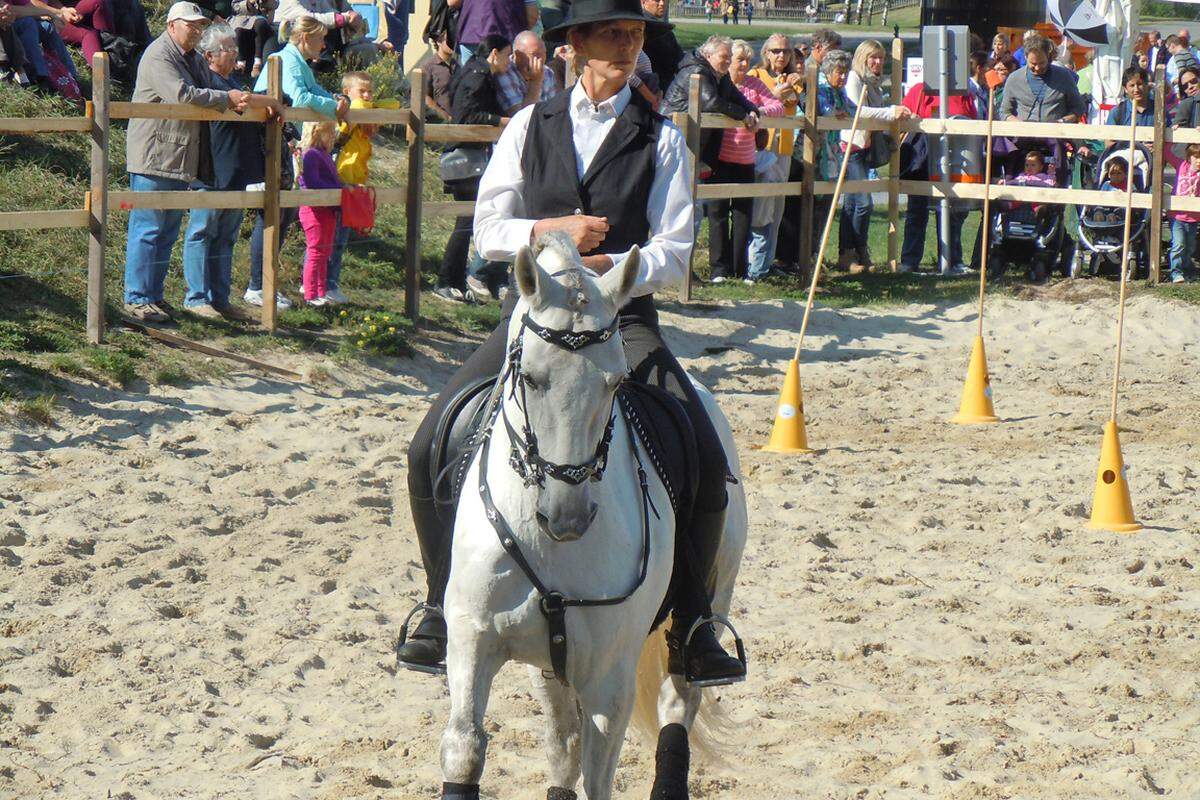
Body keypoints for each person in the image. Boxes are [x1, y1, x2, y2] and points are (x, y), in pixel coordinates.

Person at [399, 0, 747, 687]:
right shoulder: (531, 124)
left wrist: (608, 270)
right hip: (535, 313)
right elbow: (492, 222)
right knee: (427, 444)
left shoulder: (662, 137)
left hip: (624, 318)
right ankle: (439, 605)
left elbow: (675, 251)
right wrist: (552, 231)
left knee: (704, 454)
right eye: (614, 34)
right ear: (575, 45)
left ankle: (695, 622)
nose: (628, 46)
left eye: (636, 34)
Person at [122, 1, 253, 324]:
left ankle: (153, 296)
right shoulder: (159, 55)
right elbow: (181, 94)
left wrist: (234, 97)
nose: (196, 30)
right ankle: (137, 298)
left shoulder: (191, 57)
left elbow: (209, 88)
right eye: (190, 24)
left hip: (177, 156)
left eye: (200, 25)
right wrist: (227, 99)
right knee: (149, 230)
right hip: (154, 155)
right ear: (172, 26)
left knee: (165, 232)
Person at [243, 15, 347, 308]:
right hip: (271, 144)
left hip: (284, 143)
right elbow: (301, 98)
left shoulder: (298, 63)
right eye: (320, 39)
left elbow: (314, 91)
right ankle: (257, 286)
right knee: (274, 213)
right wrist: (333, 108)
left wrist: (337, 100)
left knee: (283, 214)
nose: (324, 44)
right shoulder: (285, 60)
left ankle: (264, 284)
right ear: (304, 39)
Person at [182, 22, 278, 319]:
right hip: (212, 170)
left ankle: (220, 299)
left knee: (226, 237)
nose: (235, 53)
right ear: (210, 55)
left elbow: (250, 100)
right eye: (229, 48)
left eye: (235, 47)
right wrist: (272, 101)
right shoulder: (207, 80)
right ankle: (196, 299)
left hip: (235, 171)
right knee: (202, 232)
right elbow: (247, 102)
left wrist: (269, 103)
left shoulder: (231, 80)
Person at [434, 33, 511, 303]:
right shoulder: (478, 76)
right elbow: (466, 115)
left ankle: (452, 280)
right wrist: (500, 120)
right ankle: (445, 281)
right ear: (494, 53)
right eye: (508, 55)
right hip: (466, 155)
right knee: (466, 221)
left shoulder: (474, 71)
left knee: (467, 220)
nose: (509, 61)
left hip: (468, 155)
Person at [709, 39, 781, 283]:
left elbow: (777, 106)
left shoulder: (754, 84)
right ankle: (719, 269)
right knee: (717, 214)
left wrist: (758, 112)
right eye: (739, 60)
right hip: (720, 158)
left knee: (742, 215)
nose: (743, 65)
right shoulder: (722, 85)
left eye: (747, 61)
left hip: (745, 158)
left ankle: (739, 269)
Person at [838, 40, 913, 271]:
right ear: (863, 58)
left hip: (865, 147)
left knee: (853, 203)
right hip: (851, 147)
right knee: (863, 203)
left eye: (881, 57)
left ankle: (853, 255)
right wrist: (891, 112)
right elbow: (856, 110)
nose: (878, 62)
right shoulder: (854, 79)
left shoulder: (874, 84)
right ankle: (854, 251)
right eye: (873, 57)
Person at [325, 71, 399, 303]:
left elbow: (395, 104)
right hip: (340, 177)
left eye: (370, 91)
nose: (367, 95)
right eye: (362, 91)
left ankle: (331, 283)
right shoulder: (349, 112)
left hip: (355, 180)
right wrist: (365, 104)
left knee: (341, 237)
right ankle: (321, 284)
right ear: (347, 93)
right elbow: (357, 106)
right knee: (331, 237)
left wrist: (372, 103)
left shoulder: (364, 109)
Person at [899, 60, 977, 274]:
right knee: (917, 209)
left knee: (952, 211)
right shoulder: (919, 91)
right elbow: (902, 121)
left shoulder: (964, 93)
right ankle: (910, 260)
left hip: (954, 159)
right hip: (922, 161)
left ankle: (953, 260)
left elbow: (973, 123)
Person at [747, 33, 802, 281]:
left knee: (778, 207)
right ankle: (752, 263)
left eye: (786, 51)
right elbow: (758, 101)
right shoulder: (755, 76)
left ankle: (767, 262)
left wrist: (787, 89)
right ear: (767, 53)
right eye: (777, 51)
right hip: (762, 147)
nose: (782, 56)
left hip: (784, 148)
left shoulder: (794, 79)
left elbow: (794, 98)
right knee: (761, 206)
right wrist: (777, 94)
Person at [663, 35, 757, 172]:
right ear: (708, 55)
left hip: (694, 140)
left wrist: (753, 110)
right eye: (724, 57)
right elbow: (712, 103)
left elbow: (736, 96)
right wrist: (743, 116)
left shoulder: (721, 74)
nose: (728, 61)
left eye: (730, 57)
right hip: (674, 134)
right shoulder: (696, 71)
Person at [296, 120, 340, 305]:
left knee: (324, 251)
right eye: (328, 132)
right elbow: (312, 182)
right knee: (315, 250)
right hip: (314, 209)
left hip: (327, 209)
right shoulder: (311, 154)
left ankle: (320, 290)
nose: (332, 136)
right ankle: (310, 293)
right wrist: (338, 189)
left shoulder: (324, 154)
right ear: (316, 132)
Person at [1, 0, 80, 97]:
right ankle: (39, 79)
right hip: (7, 28)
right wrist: (48, 12)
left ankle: (71, 78)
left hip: (12, 23)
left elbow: (26, 8)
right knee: (27, 23)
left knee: (47, 27)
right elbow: (10, 10)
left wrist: (51, 14)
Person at [1002, 33, 1085, 123]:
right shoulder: (1014, 79)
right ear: (1025, 58)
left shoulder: (1063, 76)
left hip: (1055, 135)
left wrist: (1062, 121)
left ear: (1048, 58)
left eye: (1041, 63)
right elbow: (1004, 112)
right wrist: (1020, 125)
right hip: (1023, 135)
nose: (1037, 68)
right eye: (1033, 64)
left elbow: (1079, 108)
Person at [495, 30, 558, 116]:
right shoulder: (504, 72)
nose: (540, 59)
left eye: (543, 54)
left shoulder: (548, 72)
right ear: (518, 55)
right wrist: (536, 82)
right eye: (535, 54)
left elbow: (551, 111)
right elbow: (520, 117)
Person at [455, 0, 536, 64]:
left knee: (470, 77)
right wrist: (521, 38)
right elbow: (532, 14)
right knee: (506, 81)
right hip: (508, 38)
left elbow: (453, 2)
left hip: (471, 34)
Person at [1165, 142, 1200, 283]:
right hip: (1177, 215)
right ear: (1189, 157)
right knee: (1179, 244)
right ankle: (1176, 272)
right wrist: (1173, 133)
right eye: (1196, 157)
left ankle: (1187, 269)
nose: (1199, 161)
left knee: (1190, 246)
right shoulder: (1181, 166)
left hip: (1194, 217)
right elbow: (1166, 151)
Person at [640, 0, 682, 91]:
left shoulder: (662, 29)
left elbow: (679, 58)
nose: (662, 3)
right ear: (643, 2)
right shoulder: (643, 27)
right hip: (651, 91)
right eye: (657, 0)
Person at [230, 0, 275, 79]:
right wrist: (249, 3)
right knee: (238, 31)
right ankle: (240, 63)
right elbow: (235, 7)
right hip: (241, 19)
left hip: (261, 18)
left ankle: (257, 62)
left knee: (260, 24)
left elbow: (275, 4)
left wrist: (267, 2)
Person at [425, 28, 456, 121]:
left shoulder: (459, 66)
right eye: (449, 40)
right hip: (439, 123)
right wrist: (443, 115)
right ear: (439, 41)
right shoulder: (429, 67)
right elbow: (424, 97)